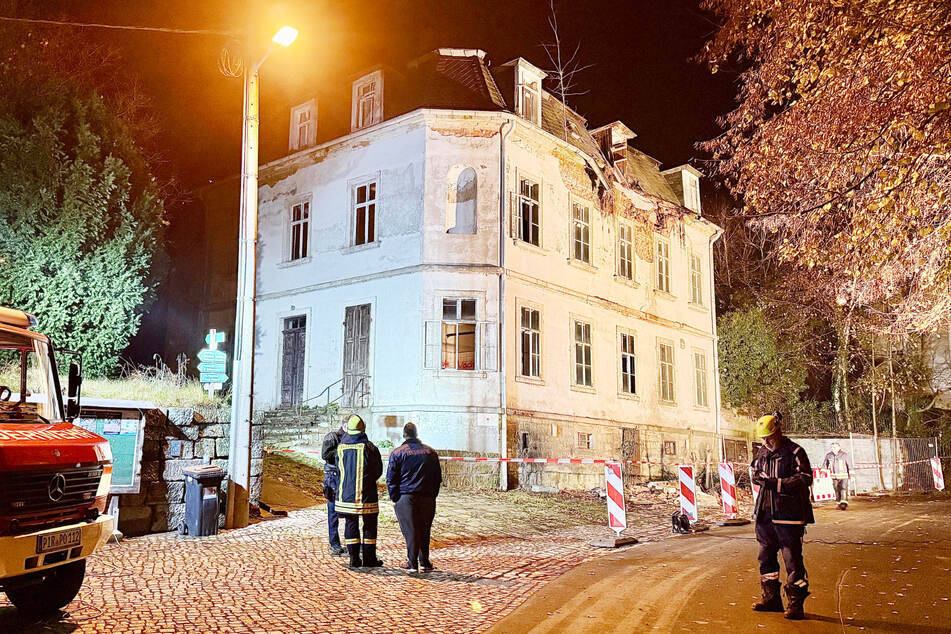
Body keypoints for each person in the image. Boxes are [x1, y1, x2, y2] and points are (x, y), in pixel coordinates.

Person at [750, 412, 814, 620]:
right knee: (766, 557)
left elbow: (805, 478)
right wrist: (757, 477)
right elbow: (756, 470)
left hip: (789, 516)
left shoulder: (795, 452)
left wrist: (777, 484)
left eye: (769, 437)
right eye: (763, 439)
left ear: (778, 431)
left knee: (792, 559)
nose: (766, 442)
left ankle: (795, 604)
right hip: (765, 514)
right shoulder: (762, 452)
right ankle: (771, 599)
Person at [386, 422, 442, 572]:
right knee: (425, 529)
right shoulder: (430, 452)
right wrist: (433, 495)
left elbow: (391, 479)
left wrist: (395, 497)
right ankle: (424, 561)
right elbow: (437, 477)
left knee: (410, 531)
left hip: (406, 497)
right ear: (416, 434)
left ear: (404, 435)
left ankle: (412, 563)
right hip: (427, 497)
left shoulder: (398, 453)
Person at [336, 414, 384, 568]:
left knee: (351, 524)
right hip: (367, 494)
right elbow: (378, 470)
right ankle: (369, 559)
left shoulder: (341, 447)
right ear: (363, 429)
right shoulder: (370, 447)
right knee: (370, 525)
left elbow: (338, 468)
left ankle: (354, 558)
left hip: (346, 494)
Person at [321, 421, 347, 556]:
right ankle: (335, 545)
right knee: (333, 512)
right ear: (345, 426)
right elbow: (325, 455)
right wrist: (342, 451)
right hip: (333, 476)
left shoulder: (350, 438)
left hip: (343, 476)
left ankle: (350, 542)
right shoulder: (332, 437)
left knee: (349, 511)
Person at [822, 441, 853, 510]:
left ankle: (844, 504)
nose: (833, 448)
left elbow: (850, 465)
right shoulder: (829, 455)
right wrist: (823, 473)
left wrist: (852, 476)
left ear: (839, 447)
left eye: (834, 447)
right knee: (836, 489)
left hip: (844, 476)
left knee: (843, 489)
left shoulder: (845, 455)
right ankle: (839, 503)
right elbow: (825, 464)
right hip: (834, 476)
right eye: (832, 447)